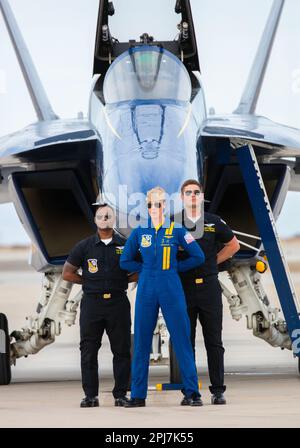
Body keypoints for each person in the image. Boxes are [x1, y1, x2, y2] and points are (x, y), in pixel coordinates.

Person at [120, 186, 205, 407]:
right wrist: (145, 268)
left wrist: (176, 267)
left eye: (159, 204)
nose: (154, 208)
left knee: (181, 339)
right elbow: (125, 260)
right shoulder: (140, 232)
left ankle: (192, 393)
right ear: (146, 207)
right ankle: (138, 396)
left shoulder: (177, 231)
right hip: (147, 285)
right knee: (141, 341)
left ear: (165, 206)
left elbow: (198, 256)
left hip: (171, 285)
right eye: (150, 204)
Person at [173, 179, 240, 405]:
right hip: (183, 287)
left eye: (196, 192)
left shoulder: (213, 222)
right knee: (186, 341)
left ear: (202, 196)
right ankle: (190, 392)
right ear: (182, 197)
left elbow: (233, 245)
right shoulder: (173, 223)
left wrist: (212, 261)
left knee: (214, 341)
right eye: (188, 193)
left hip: (209, 287)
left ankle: (218, 390)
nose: (193, 196)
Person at [62, 203, 132, 408]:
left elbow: (139, 268)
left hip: (118, 303)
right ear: (95, 220)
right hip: (92, 304)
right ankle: (90, 395)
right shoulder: (84, 246)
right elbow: (68, 272)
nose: (105, 219)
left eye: (108, 216)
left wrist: (121, 282)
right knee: (89, 350)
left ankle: (120, 395)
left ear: (113, 220)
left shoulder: (125, 245)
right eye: (101, 216)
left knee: (122, 350)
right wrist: (89, 283)